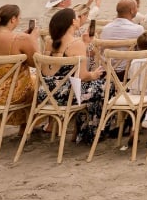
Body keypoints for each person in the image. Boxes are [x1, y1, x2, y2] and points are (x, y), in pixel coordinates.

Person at [41, 8, 105, 144]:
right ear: (72, 22)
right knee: (104, 87)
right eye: (77, 17)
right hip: (65, 96)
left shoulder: (48, 41)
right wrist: (94, 74)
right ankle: (91, 132)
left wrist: (85, 44)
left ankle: (82, 131)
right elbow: (83, 76)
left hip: (45, 93)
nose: (79, 19)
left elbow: (46, 72)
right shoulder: (76, 43)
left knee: (92, 89)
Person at [0, 4, 39, 130]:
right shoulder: (22, 39)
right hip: (11, 96)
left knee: (24, 80)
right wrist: (32, 40)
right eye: (19, 18)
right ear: (13, 19)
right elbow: (37, 63)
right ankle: (25, 128)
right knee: (37, 82)